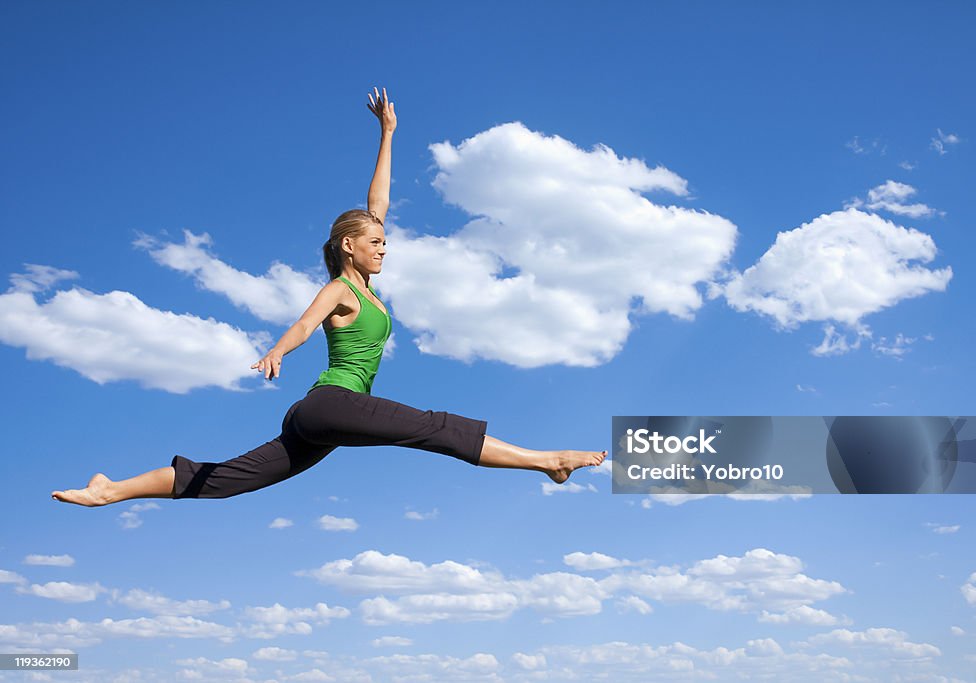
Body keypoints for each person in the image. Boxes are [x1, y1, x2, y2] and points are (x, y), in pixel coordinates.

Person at [52, 87, 606, 507]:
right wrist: (276, 352)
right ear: (349, 246)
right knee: (436, 427)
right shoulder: (340, 288)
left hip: (322, 420)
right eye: (376, 243)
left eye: (385, 242)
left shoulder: (366, 283)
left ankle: (110, 490)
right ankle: (548, 461)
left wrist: (388, 133)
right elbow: (302, 323)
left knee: (227, 478)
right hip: (331, 405)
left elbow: (376, 202)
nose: (385, 248)